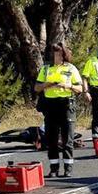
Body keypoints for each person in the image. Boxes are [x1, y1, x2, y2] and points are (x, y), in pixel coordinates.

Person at [34, 43, 83, 178]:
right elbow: (37, 88)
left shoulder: (71, 68)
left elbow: (80, 89)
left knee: (67, 138)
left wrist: (68, 85)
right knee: (51, 139)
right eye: (55, 53)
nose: (57, 56)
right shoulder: (46, 69)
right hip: (50, 106)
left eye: (60, 54)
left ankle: (68, 168)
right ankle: (54, 169)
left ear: (64, 55)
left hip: (66, 105)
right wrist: (47, 84)